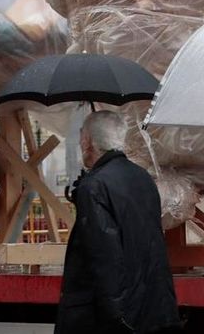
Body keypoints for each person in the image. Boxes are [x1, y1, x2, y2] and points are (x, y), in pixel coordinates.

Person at [56, 111, 180, 334]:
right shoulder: (143, 178)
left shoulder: (94, 187)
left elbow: (104, 256)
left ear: (87, 142)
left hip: (111, 316)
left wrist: (118, 317)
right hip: (151, 306)